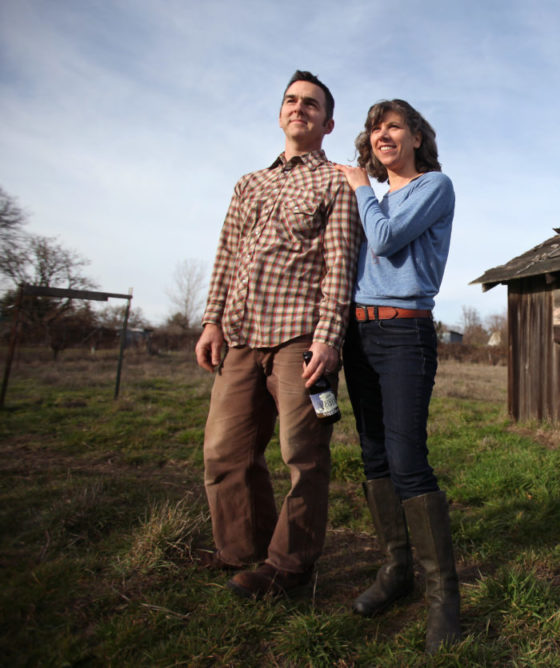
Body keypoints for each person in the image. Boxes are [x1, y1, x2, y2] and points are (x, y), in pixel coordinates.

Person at [194, 70, 362, 599]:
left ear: (327, 122)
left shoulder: (335, 182)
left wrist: (329, 338)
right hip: (241, 336)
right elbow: (226, 256)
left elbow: (341, 264)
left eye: (311, 104)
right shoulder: (250, 183)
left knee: (303, 455)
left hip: (299, 340)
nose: (299, 108)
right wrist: (212, 320)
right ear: (281, 112)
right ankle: (244, 552)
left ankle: (290, 568)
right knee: (225, 452)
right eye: (291, 100)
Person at [336, 99, 459, 653]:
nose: (382, 135)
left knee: (408, 460)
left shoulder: (433, 186)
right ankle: (395, 571)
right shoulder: (372, 197)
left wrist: (361, 185)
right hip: (358, 335)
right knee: (374, 456)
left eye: (393, 126)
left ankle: (444, 602)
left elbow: (385, 240)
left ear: (414, 137)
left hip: (406, 333)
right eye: (374, 128)